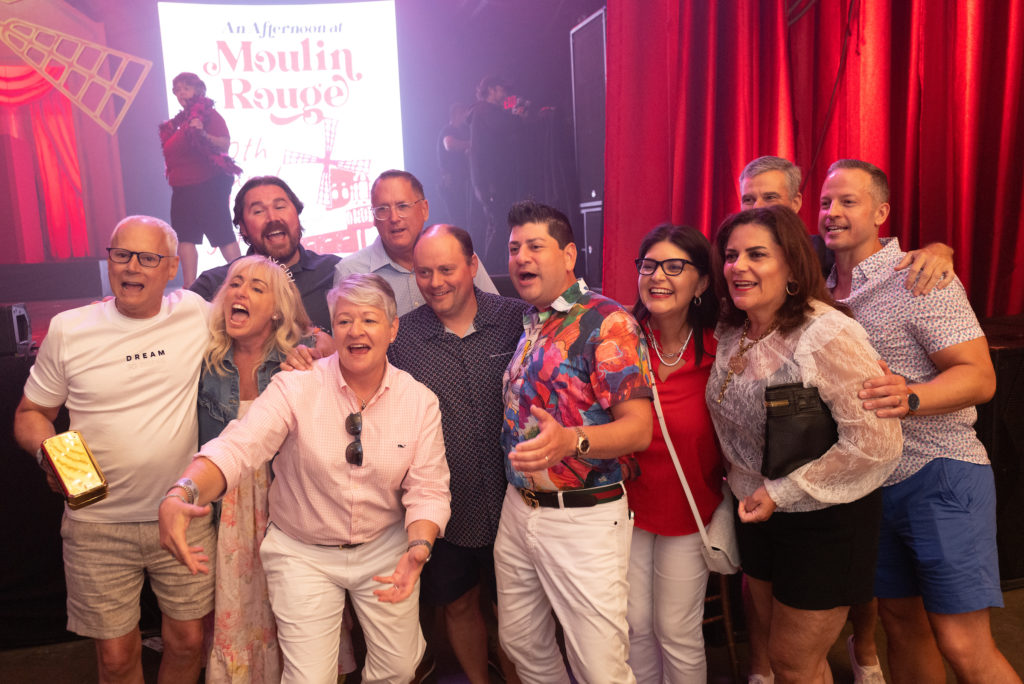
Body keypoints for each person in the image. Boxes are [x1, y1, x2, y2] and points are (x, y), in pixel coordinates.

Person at [159, 273, 451, 683]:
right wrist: (183, 491)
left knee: (399, 667)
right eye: (344, 320)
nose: (355, 330)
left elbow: (428, 488)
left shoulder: (419, 401)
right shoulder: (296, 386)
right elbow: (240, 445)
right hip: (302, 552)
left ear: (392, 328)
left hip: (384, 547)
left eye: (369, 319)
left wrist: (419, 546)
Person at [736, 154, 950, 683]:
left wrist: (939, 250)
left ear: (795, 205)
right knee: (788, 641)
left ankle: (865, 652)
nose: (759, 207)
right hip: (778, 492)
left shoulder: (818, 261)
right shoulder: (753, 282)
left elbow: (875, 436)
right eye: (749, 199)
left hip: (893, 466)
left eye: (770, 198)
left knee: (921, 620)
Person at [820, 160, 1019, 684]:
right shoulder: (822, 292)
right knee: (901, 627)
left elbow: (980, 377)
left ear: (881, 212)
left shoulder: (919, 276)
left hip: (939, 473)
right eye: (825, 202)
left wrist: (909, 397)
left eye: (848, 201)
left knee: (963, 643)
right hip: (873, 486)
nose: (832, 212)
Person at [705, 205, 902, 684]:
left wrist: (781, 492)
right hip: (759, 514)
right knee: (778, 657)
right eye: (731, 256)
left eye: (757, 254)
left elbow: (876, 444)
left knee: (794, 663)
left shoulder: (826, 332)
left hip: (825, 520)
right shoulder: (733, 329)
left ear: (792, 266)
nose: (738, 266)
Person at [14, 216, 214, 683]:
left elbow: (261, 321)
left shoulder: (196, 313)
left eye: (147, 258)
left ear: (172, 269)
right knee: (117, 659)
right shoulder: (70, 329)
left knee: (189, 643)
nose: (131, 267)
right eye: (121, 254)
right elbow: (30, 413)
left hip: (184, 515)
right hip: (97, 525)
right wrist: (52, 457)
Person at [495, 200, 653, 684]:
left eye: (534, 246)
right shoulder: (532, 320)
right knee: (522, 643)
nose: (521, 257)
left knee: (600, 668)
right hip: (519, 509)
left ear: (568, 255)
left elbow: (639, 429)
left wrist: (571, 441)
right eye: (513, 248)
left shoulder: (607, 321)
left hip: (582, 515)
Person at [388, 224, 527, 684]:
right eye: (424, 272)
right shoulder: (402, 338)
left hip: (517, 502)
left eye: (446, 269)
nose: (435, 282)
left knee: (516, 613)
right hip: (445, 507)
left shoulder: (516, 320)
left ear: (472, 266)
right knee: (459, 604)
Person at [198, 255, 312, 682]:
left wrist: (317, 347)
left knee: (289, 614)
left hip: (282, 505)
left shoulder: (296, 363)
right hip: (223, 508)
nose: (240, 292)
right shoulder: (205, 360)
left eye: (256, 288)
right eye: (235, 283)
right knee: (234, 613)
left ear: (277, 311)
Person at [624, 225, 723, 683]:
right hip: (625, 511)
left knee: (677, 631)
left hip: (691, 511)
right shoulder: (619, 341)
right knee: (635, 627)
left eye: (674, 267)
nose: (658, 276)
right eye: (648, 265)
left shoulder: (722, 349)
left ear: (701, 282)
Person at [334, 169, 497, 316]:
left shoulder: (459, 255)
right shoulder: (351, 272)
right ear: (374, 218)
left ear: (424, 209)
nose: (394, 218)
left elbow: (497, 315)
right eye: (382, 209)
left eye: (402, 206)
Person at [191, 175, 341, 332]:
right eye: (258, 211)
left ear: (297, 214)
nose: (272, 218)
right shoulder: (213, 284)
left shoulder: (335, 271)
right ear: (243, 227)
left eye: (280, 207)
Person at [160, 72, 242, 287]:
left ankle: (244, 277)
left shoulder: (208, 115)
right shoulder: (180, 121)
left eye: (185, 88)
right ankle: (190, 288)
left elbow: (224, 144)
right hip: (182, 188)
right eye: (177, 90)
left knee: (222, 234)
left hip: (207, 185)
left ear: (198, 90)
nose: (180, 93)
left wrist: (203, 134)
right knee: (185, 237)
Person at [469, 76, 525, 273]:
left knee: (497, 225)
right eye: (502, 89)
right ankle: (489, 274)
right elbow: (505, 126)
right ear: (491, 90)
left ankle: (491, 273)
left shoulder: (485, 112)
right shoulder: (485, 111)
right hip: (491, 182)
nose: (505, 93)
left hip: (491, 181)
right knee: (500, 225)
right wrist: (518, 115)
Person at [437, 104, 474, 229]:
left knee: (463, 220)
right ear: (457, 115)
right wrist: (471, 144)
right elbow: (449, 144)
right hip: (452, 183)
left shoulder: (462, 132)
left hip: (460, 182)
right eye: (465, 114)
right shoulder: (448, 130)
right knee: (458, 221)